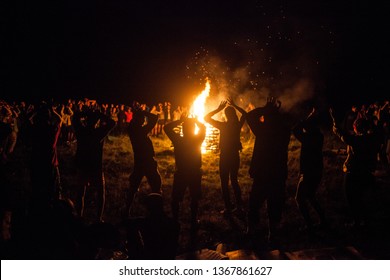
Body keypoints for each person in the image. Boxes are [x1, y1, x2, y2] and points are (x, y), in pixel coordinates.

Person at [246, 97, 291, 243]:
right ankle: (273, 234)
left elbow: (250, 115)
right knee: (275, 203)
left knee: (254, 203)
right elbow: (286, 120)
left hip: (263, 173)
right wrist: (275, 110)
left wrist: (266, 108)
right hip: (278, 173)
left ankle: (252, 231)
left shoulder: (263, 131)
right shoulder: (284, 131)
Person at [330, 108, 380, 226]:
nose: (353, 128)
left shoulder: (357, 140)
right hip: (367, 173)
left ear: (357, 128)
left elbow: (341, 133)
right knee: (360, 198)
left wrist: (334, 120)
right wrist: (369, 120)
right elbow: (376, 131)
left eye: (354, 126)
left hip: (354, 173)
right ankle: (365, 220)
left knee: (351, 198)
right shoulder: (372, 139)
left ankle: (358, 222)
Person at [204, 98, 246, 216]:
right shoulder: (237, 125)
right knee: (234, 180)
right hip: (234, 156)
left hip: (225, 156)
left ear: (226, 115)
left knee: (224, 182)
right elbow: (245, 114)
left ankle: (228, 208)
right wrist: (235, 105)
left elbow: (206, 118)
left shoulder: (223, 126)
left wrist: (218, 109)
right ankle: (239, 206)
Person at [73, 109, 116, 222]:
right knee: (100, 192)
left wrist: (86, 113)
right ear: (97, 122)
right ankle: (98, 218)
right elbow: (112, 123)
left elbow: (75, 116)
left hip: (83, 164)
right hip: (95, 166)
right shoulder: (98, 133)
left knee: (80, 192)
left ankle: (78, 216)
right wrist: (99, 115)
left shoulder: (81, 131)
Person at [164, 117, 206, 228]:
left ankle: (175, 219)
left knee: (176, 198)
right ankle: (193, 219)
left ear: (182, 129)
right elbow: (203, 127)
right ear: (193, 129)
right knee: (194, 198)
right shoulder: (197, 139)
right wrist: (196, 121)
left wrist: (181, 120)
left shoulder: (178, 140)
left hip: (182, 172)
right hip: (194, 172)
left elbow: (167, 127)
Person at [292, 107, 327, 232]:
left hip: (309, 172)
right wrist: (310, 117)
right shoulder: (318, 135)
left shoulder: (308, 137)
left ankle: (309, 225)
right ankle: (323, 221)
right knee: (311, 196)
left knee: (299, 198)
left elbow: (295, 129)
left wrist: (306, 118)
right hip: (316, 170)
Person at [126, 108, 162, 217]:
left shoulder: (134, 128)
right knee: (156, 187)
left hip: (141, 162)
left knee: (134, 188)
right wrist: (144, 113)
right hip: (146, 162)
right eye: (142, 118)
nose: (144, 120)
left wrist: (141, 114)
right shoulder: (139, 130)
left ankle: (126, 211)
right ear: (137, 119)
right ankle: (158, 212)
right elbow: (155, 118)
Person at [29, 102, 63, 212]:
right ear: (49, 117)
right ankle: (54, 210)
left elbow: (27, 120)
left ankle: (37, 210)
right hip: (51, 164)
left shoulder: (34, 130)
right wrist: (53, 111)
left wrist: (35, 111)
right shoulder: (52, 130)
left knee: (37, 188)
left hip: (36, 163)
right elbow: (60, 120)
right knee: (53, 189)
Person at [125, 193, 180, 259]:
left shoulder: (144, 223)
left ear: (149, 207)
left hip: (150, 256)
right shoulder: (174, 224)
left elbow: (129, 222)